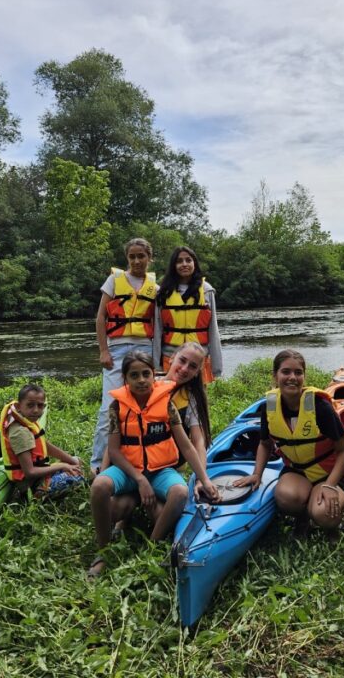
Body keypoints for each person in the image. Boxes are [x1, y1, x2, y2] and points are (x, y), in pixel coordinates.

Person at [88, 351, 219, 576]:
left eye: (146, 374)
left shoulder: (167, 405)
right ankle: (104, 551)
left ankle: (152, 544)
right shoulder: (117, 407)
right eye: (134, 375)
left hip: (160, 471)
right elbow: (113, 449)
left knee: (179, 493)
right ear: (125, 379)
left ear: (153, 376)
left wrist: (204, 480)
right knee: (100, 487)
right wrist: (137, 479)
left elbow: (187, 446)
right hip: (129, 471)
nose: (141, 380)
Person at [233, 349, 344, 535]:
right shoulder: (269, 406)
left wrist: (330, 486)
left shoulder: (320, 407)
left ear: (304, 376)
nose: (292, 377)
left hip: (329, 473)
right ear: (275, 376)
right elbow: (265, 444)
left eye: (298, 372)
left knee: (324, 513)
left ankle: (329, 524)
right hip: (297, 470)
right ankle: (303, 517)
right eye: (286, 372)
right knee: (285, 498)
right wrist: (257, 474)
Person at [91, 238, 158, 475]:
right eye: (132, 256)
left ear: (150, 257)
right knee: (109, 406)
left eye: (142, 256)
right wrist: (103, 350)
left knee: (146, 405)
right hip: (117, 348)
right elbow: (101, 318)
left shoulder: (155, 287)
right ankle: (98, 464)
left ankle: (143, 457)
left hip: (145, 349)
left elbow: (158, 323)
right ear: (127, 258)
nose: (137, 261)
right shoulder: (114, 280)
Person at [0, 383, 84, 498]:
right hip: (30, 486)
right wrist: (61, 466)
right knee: (77, 476)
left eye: (40, 405)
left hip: (39, 475)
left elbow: (46, 446)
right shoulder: (20, 433)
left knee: (76, 461)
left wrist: (71, 461)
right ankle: (38, 494)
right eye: (30, 405)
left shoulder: (27, 421)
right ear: (18, 406)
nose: (36, 410)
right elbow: (30, 472)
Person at [153, 246, 223, 385]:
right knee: (171, 400)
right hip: (170, 358)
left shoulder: (206, 290)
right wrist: (156, 366)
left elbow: (213, 330)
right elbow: (157, 331)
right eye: (179, 261)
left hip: (199, 358)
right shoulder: (163, 292)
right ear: (174, 266)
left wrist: (217, 369)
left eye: (188, 260)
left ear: (194, 264)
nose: (184, 264)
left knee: (199, 401)